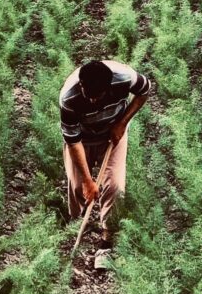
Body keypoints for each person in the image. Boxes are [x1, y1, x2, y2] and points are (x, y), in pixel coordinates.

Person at [60, 59, 151, 257]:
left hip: (112, 135)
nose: (93, 101)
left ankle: (107, 237)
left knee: (115, 186)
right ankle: (76, 221)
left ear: (108, 87)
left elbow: (145, 90)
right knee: (77, 185)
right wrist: (88, 181)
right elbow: (73, 141)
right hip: (82, 139)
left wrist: (122, 123)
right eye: (89, 96)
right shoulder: (69, 98)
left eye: (98, 96)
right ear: (81, 85)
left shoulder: (125, 77)